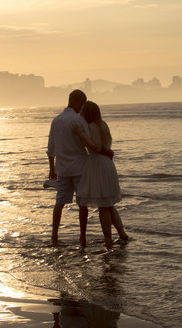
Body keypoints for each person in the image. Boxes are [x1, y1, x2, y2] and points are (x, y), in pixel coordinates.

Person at [47, 89, 113, 245]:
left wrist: (51, 169)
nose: (83, 108)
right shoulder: (79, 121)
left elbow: (51, 148)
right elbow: (91, 144)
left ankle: (54, 236)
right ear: (77, 102)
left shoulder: (56, 120)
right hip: (79, 168)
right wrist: (106, 151)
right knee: (82, 204)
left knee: (59, 203)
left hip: (62, 168)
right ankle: (82, 237)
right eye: (82, 103)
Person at [76, 100, 130, 249]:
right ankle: (121, 233)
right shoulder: (103, 124)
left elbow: (97, 147)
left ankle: (108, 238)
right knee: (108, 203)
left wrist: (82, 136)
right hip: (106, 164)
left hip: (98, 164)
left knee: (103, 206)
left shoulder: (92, 126)